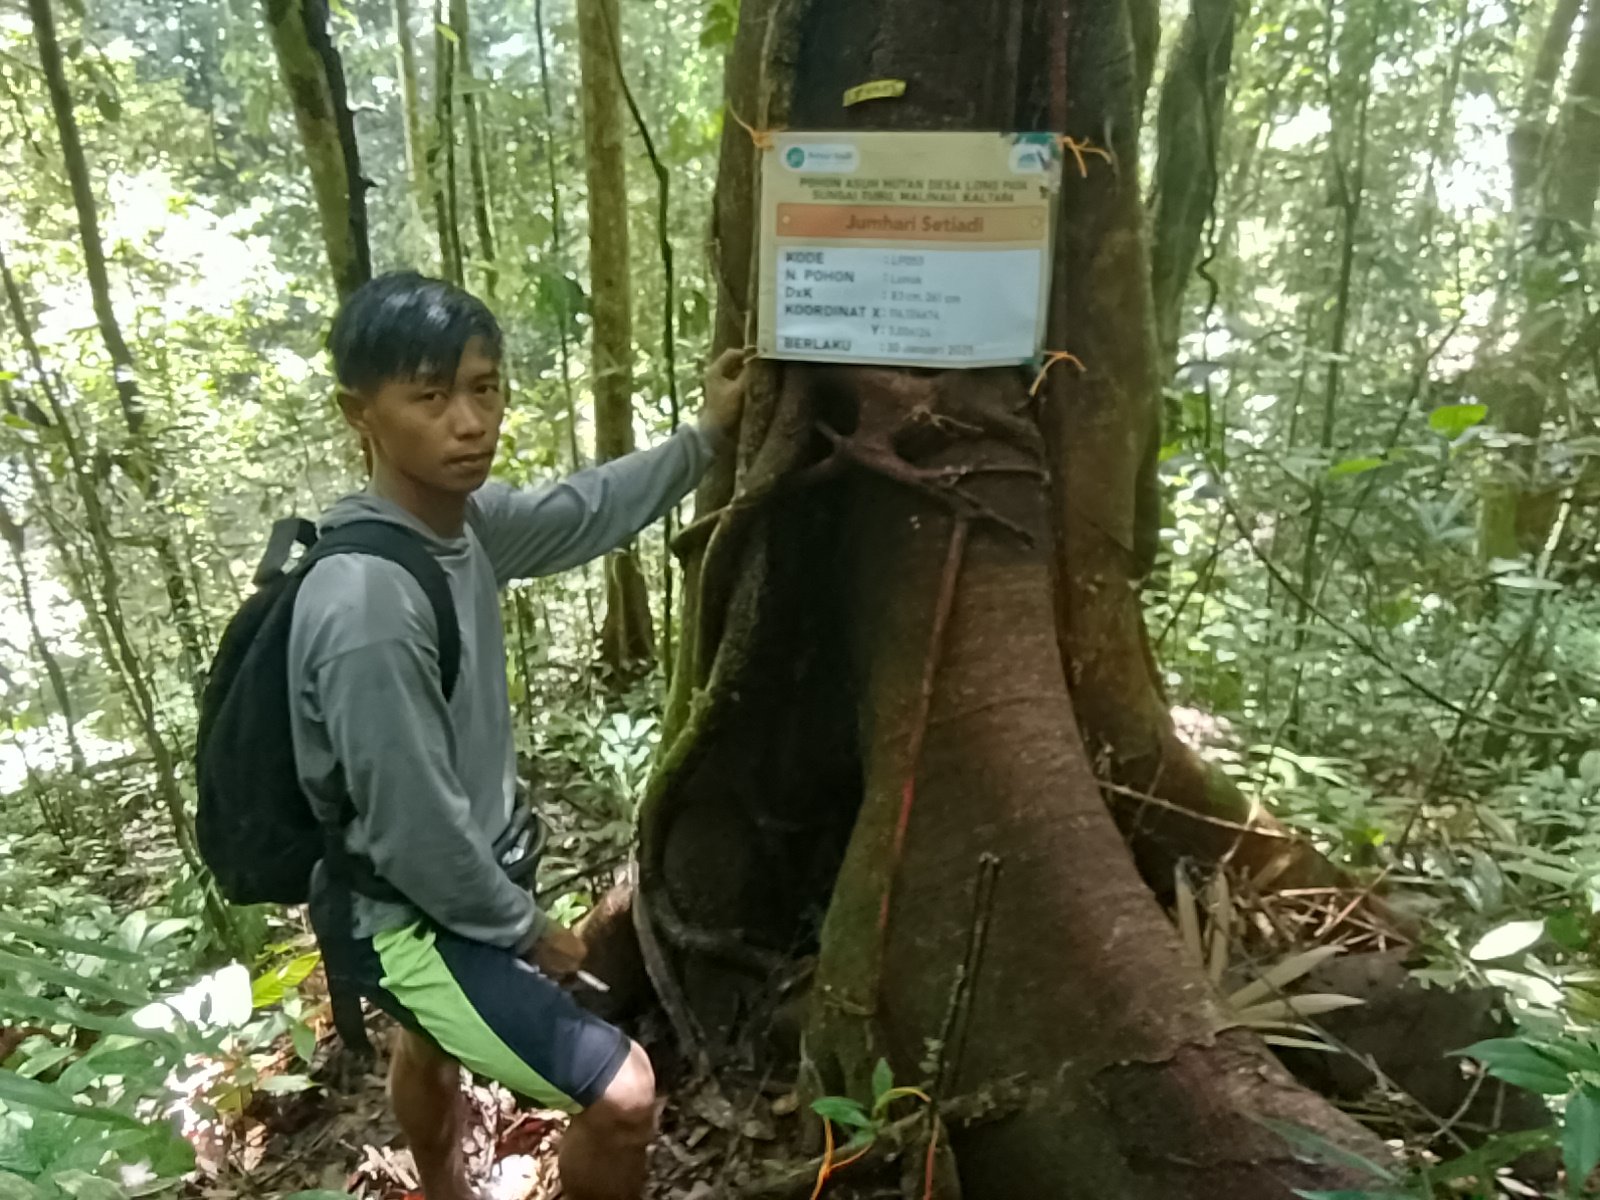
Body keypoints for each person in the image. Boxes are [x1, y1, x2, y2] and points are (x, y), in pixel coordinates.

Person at [287, 271, 744, 1200]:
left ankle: (444, 1190)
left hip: (458, 886)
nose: (470, 422)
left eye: (484, 388)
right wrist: (529, 930)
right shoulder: (368, 606)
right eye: (430, 397)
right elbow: (413, 834)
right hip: (407, 920)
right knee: (623, 1095)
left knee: (428, 1043)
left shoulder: (463, 526)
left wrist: (705, 439)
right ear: (358, 412)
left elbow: (582, 510)